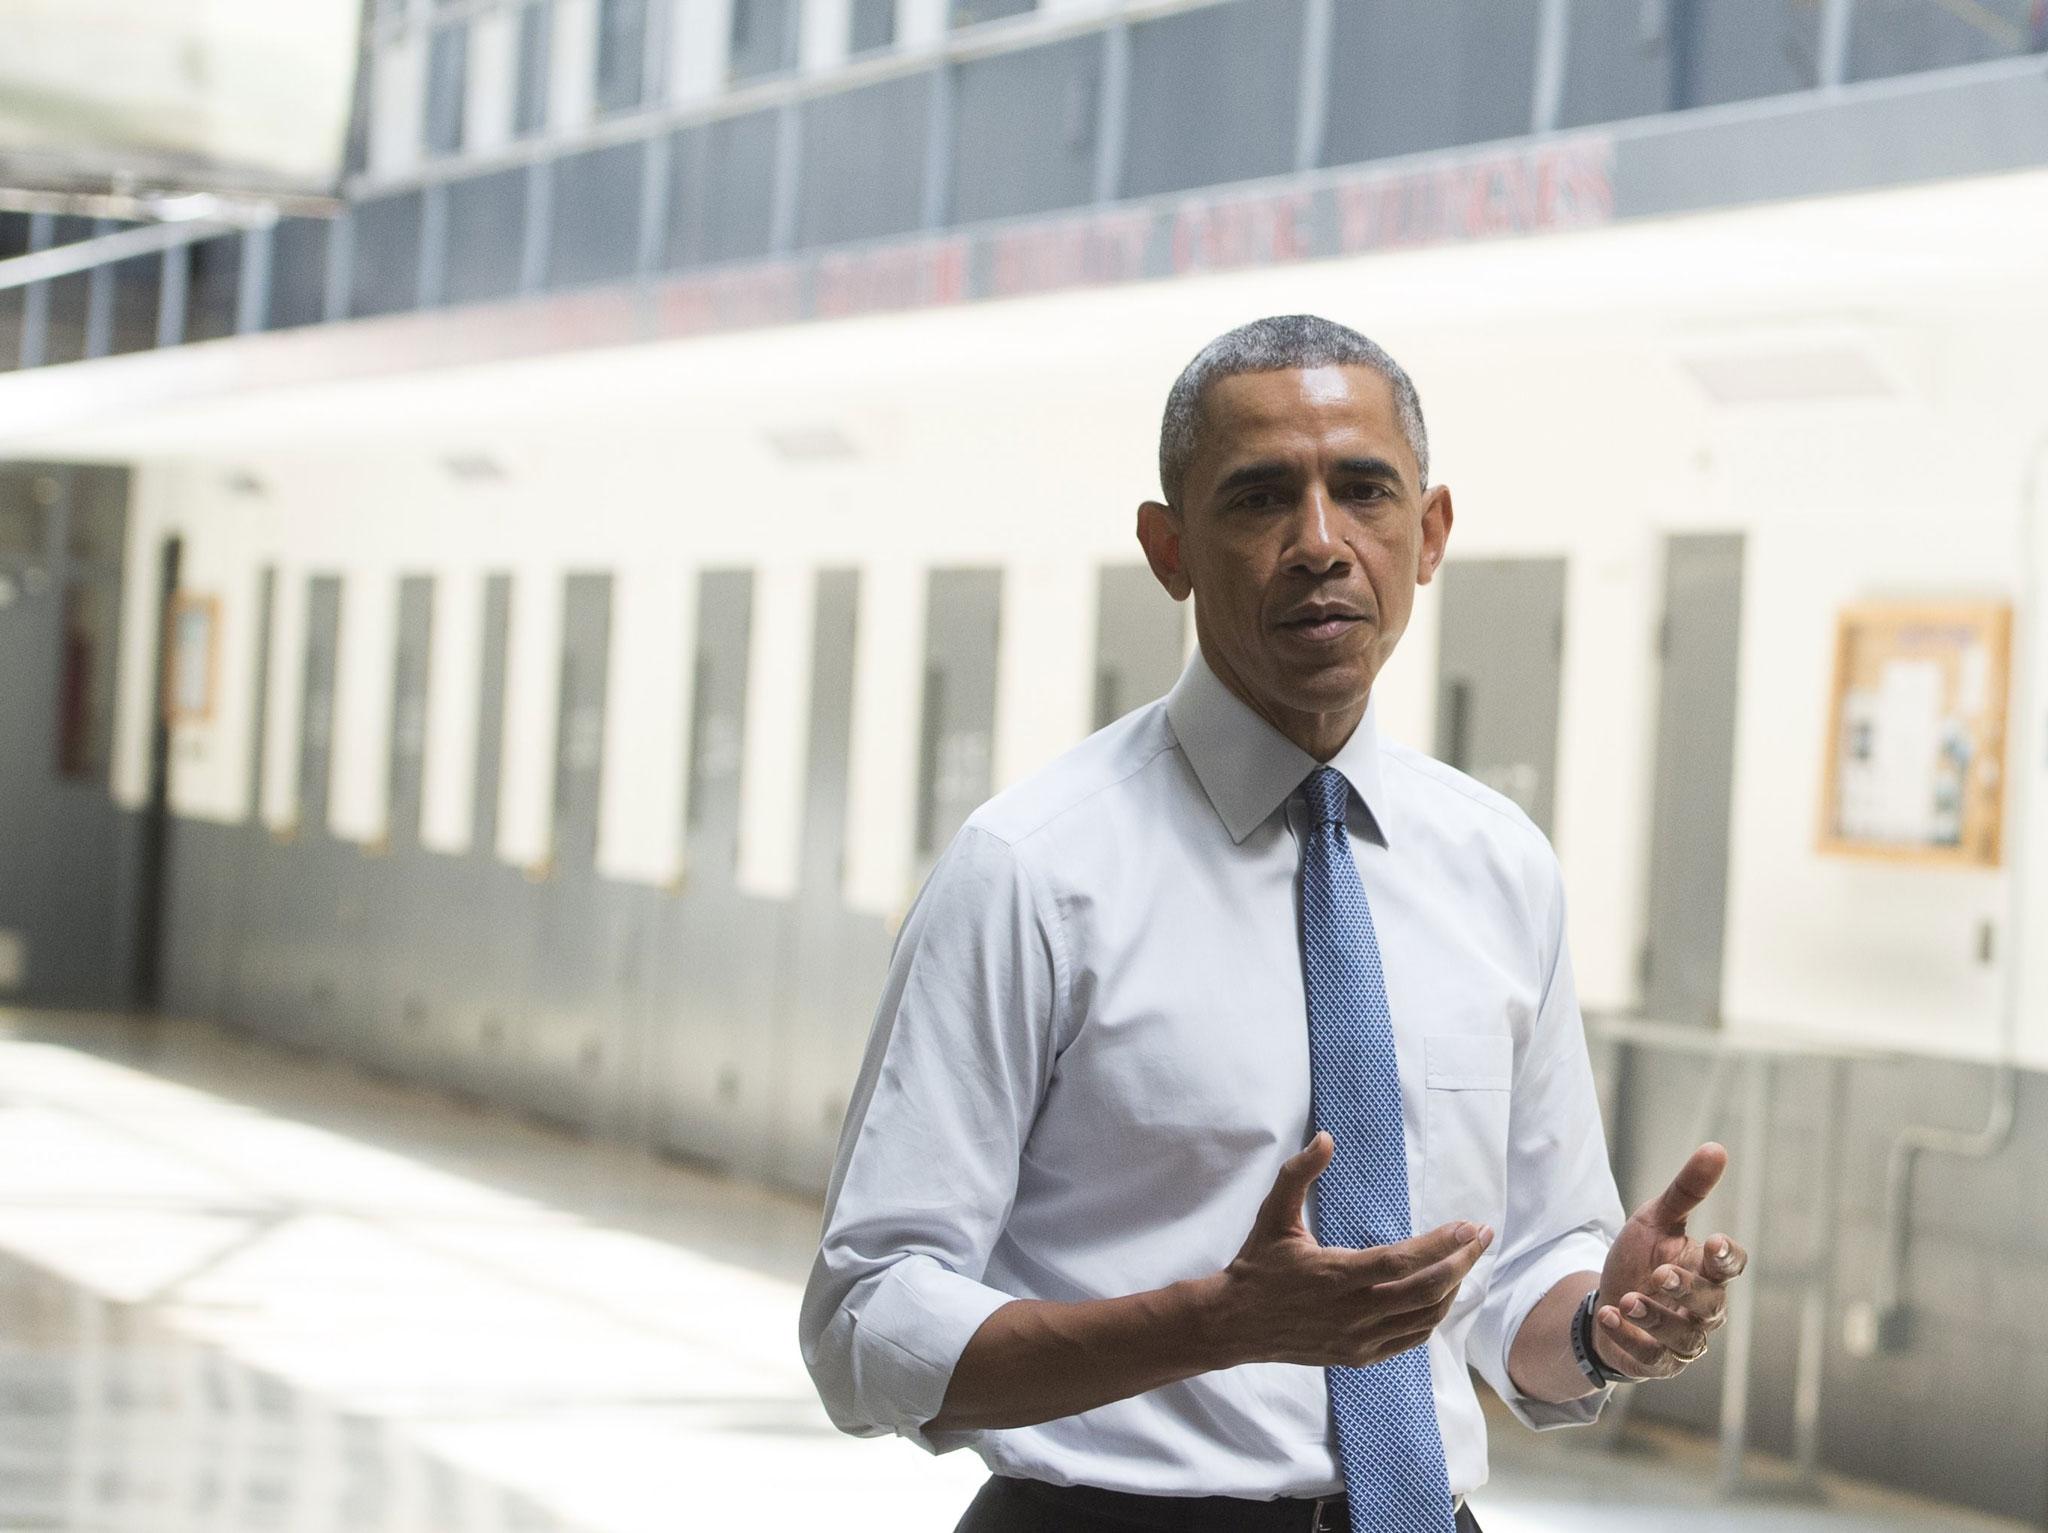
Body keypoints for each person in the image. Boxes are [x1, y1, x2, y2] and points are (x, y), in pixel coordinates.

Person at [799, 314, 1750, 1533]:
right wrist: (1220, 1323)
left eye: (1363, 492)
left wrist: (1598, 1324)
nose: (1319, 544)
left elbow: (1519, 1292)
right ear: (1168, 547)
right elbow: (865, 1321)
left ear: (1430, 533)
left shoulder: (1495, 863)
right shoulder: (1030, 873)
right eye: (1257, 500)